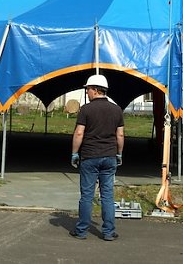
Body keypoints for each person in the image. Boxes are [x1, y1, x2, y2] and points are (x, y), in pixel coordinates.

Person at [69, 73, 125, 241]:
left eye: (88, 89)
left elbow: (79, 133)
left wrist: (74, 153)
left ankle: (82, 231)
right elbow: (120, 135)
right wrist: (119, 153)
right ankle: (108, 232)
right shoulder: (117, 110)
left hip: (90, 156)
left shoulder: (86, 109)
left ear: (95, 89)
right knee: (107, 195)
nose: (87, 92)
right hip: (109, 156)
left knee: (87, 195)